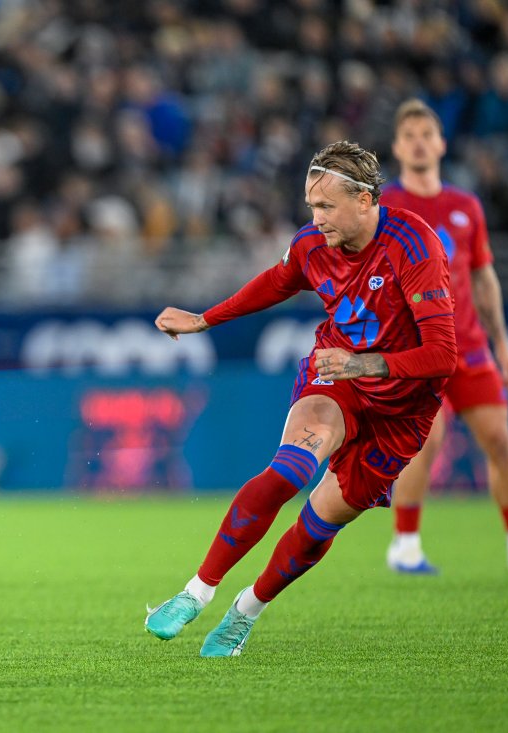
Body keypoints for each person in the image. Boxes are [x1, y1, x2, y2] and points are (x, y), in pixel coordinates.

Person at [146, 141, 456, 657]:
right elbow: (278, 281)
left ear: (364, 200)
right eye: (312, 206)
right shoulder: (313, 243)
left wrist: (365, 364)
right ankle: (195, 591)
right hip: (337, 378)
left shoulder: (415, 245)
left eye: (326, 206)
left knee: (317, 526)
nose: (316, 219)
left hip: (402, 411)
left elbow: (442, 355)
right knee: (288, 471)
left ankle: (246, 610)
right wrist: (204, 319)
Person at [380, 99, 508, 573]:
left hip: (469, 344)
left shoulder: (465, 206)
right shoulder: (385, 207)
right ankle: (405, 545)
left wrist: (502, 344)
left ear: (441, 144)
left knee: (500, 441)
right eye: (409, 135)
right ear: (397, 147)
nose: (419, 143)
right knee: (426, 440)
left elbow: (482, 276)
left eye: (427, 134)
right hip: (415, 348)